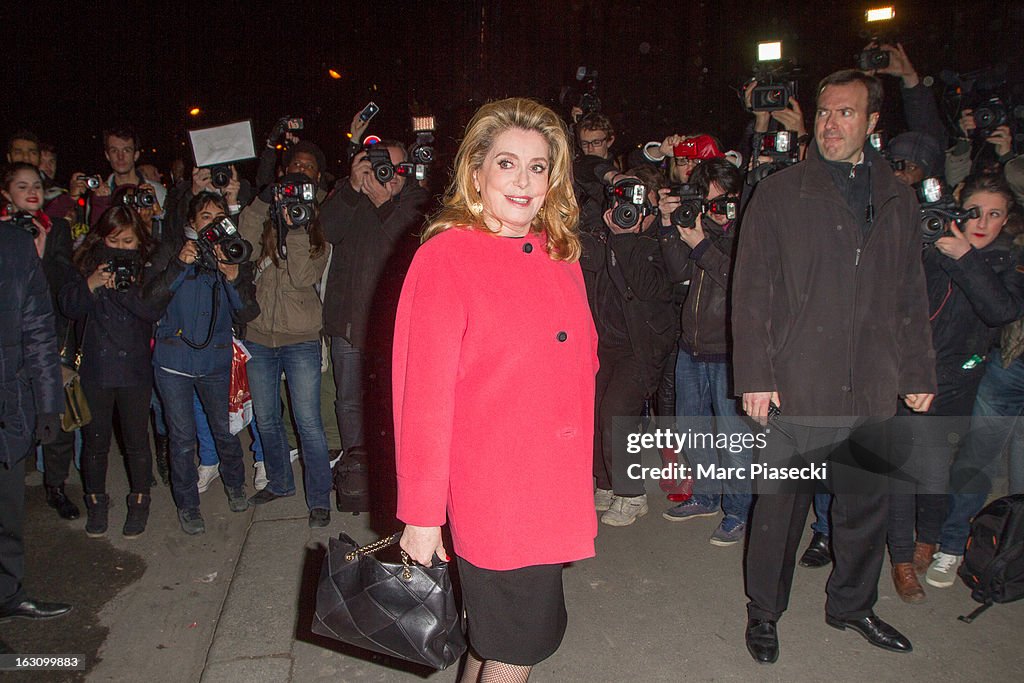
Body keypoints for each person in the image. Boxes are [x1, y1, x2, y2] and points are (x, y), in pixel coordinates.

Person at [732, 70, 936, 663]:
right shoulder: (781, 192)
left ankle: (851, 605)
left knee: (864, 508)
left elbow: (909, 293)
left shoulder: (896, 198)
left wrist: (918, 373)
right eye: (823, 112)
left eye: (845, 113)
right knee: (779, 512)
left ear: (873, 123)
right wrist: (755, 376)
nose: (830, 123)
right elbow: (752, 294)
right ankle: (764, 611)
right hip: (800, 383)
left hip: (870, 384)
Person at [396, 98, 598, 682]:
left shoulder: (561, 254)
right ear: (476, 171)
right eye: (507, 163)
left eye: (539, 167)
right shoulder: (446, 258)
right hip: (497, 492)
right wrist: (422, 514)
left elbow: (581, 356)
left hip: (552, 485)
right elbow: (423, 399)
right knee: (517, 648)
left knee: (492, 639)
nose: (524, 180)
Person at [925, 174, 1024, 589]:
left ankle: (982, 549)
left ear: (1007, 220)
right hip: (954, 372)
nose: (983, 221)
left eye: (995, 213)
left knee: (986, 467)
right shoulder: (936, 249)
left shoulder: (1006, 259)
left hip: (978, 372)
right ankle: (935, 544)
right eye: (975, 211)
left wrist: (967, 257)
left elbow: (1002, 309)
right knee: (952, 462)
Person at [142, 191, 259, 535]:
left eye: (218, 216)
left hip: (215, 359)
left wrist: (233, 274)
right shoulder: (171, 251)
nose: (212, 222)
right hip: (174, 360)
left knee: (224, 430)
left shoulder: (234, 252)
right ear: (192, 223)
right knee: (181, 437)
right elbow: (149, 304)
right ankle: (188, 505)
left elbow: (248, 312)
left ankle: (235, 485)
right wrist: (180, 264)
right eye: (205, 216)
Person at [319, 139, 429, 492]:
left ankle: (396, 478)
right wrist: (352, 189)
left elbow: (411, 240)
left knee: (394, 406)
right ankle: (355, 476)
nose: (389, 176)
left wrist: (383, 203)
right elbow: (327, 230)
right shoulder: (349, 194)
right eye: (382, 166)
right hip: (350, 322)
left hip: (395, 328)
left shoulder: (418, 200)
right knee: (349, 402)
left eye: (398, 170)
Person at [659, 158, 753, 545]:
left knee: (732, 438)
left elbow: (739, 282)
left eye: (722, 198)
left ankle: (738, 511)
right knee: (692, 429)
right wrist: (670, 226)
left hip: (729, 350)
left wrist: (701, 244)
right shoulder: (697, 224)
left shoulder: (749, 231)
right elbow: (676, 273)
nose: (715, 207)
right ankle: (705, 495)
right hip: (691, 345)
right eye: (707, 196)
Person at [59, 206, 163, 538]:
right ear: (102, 238)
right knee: (95, 442)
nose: (119, 248)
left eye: (128, 241)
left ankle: (140, 501)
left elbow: (150, 310)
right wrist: (91, 283)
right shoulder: (86, 264)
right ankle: (97, 502)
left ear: (139, 241)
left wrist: (127, 287)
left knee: (136, 441)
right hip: (96, 368)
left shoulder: (146, 269)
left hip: (133, 369)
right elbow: (70, 307)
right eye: (113, 240)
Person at [238, 172, 332, 527]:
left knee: (308, 423)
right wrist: (263, 201)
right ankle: (279, 482)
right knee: (266, 418)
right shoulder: (265, 228)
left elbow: (302, 277)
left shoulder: (317, 238)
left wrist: (295, 230)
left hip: (300, 339)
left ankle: (319, 498)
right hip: (259, 336)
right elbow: (243, 242)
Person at [0, 218, 71, 649]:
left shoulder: (13, 244)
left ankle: (8, 594)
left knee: (8, 513)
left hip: (8, 403)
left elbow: (39, 329)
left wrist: (48, 402)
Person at [2, 162, 79, 521]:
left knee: (56, 416)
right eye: (21, 186)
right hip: (13, 347)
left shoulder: (56, 228)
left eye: (36, 185)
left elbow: (63, 281)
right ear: (6, 194)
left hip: (52, 333)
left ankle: (57, 486)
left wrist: (42, 251)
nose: (31, 192)